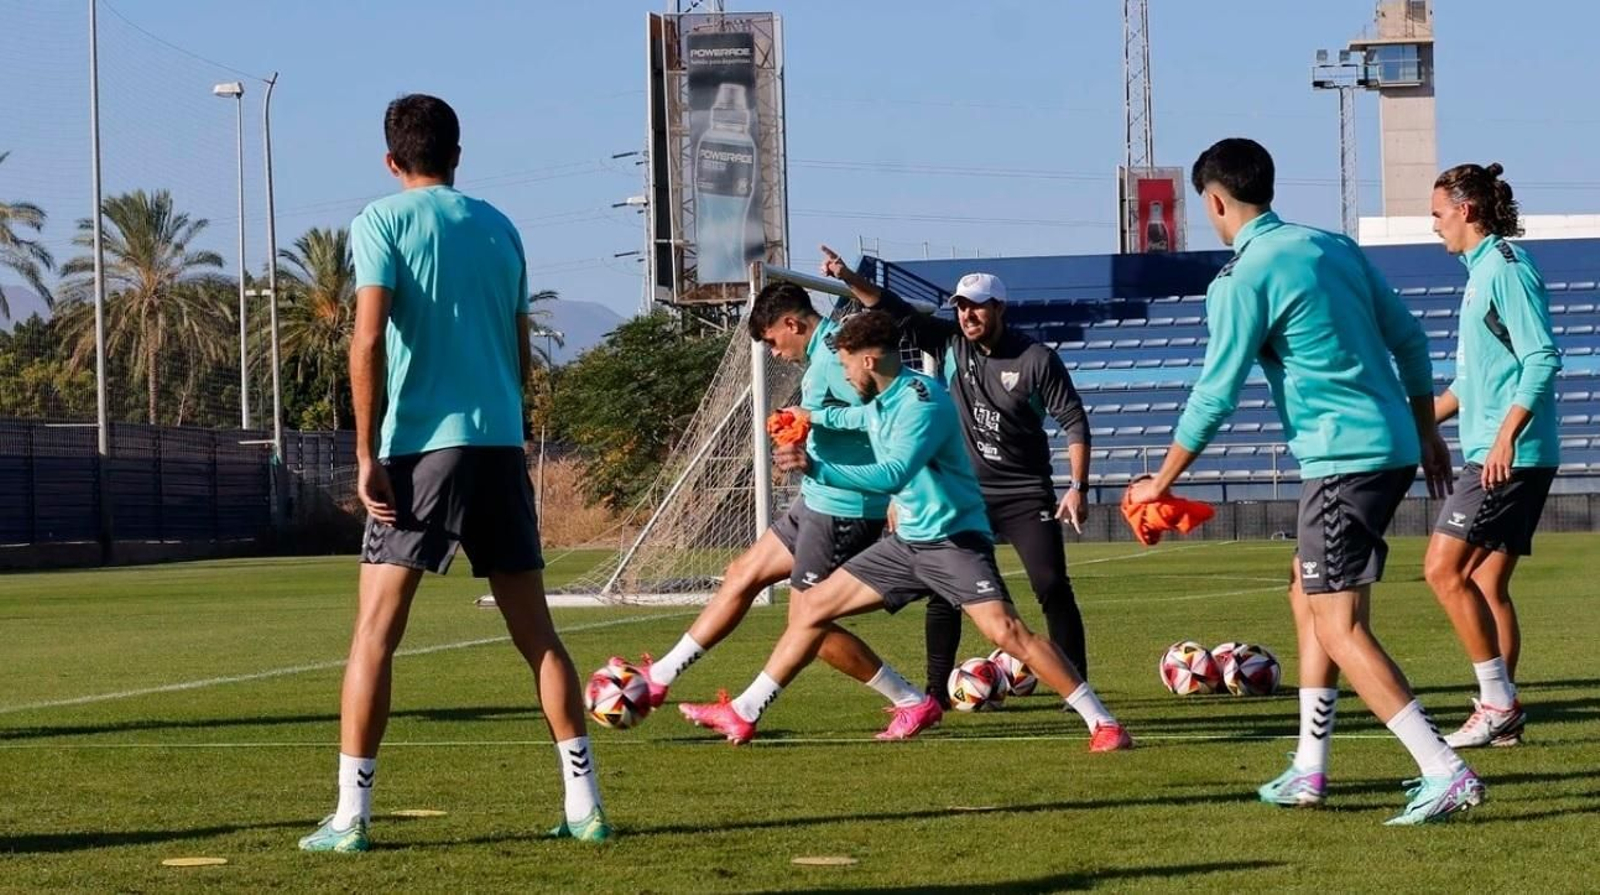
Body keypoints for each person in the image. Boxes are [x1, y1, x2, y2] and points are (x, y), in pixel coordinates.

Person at [1127, 137, 1484, 825]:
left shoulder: (1243, 277)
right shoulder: (1334, 248)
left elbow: (1214, 394)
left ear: (1215, 201)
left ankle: (1443, 768)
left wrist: (1158, 482)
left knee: (1340, 623)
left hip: (1341, 460)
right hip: (1388, 447)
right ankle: (1309, 768)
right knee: (1307, 588)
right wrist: (1428, 431)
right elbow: (1410, 340)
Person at [299, 94, 609, 851]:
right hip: (499, 447)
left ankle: (351, 817)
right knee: (537, 635)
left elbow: (367, 339)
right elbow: (519, 337)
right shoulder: (501, 228)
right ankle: (585, 806)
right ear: (458, 154)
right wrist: (514, 425)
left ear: (390, 159)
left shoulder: (380, 222)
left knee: (375, 635)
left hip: (420, 453)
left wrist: (367, 453)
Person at [677, 311, 1132, 753]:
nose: (842, 371)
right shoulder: (885, 398)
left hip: (953, 542)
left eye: (844, 363)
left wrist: (816, 467)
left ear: (868, 361)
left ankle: (1104, 722)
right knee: (811, 609)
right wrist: (809, 416)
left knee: (1008, 633)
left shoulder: (923, 402)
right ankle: (745, 709)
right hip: (908, 544)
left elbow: (894, 473)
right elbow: (857, 419)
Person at [636, 282, 938, 740]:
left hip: (843, 509)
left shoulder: (838, 360)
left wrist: (894, 487)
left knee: (807, 623)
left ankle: (909, 701)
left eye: (774, 341)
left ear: (793, 323)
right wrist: (800, 433)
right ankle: (660, 677)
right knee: (742, 573)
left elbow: (888, 413)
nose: (774, 353)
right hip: (815, 500)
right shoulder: (827, 356)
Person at [819, 248, 1094, 705]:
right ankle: (934, 695)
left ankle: (1075, 684)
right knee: (942, 592)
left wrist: (1077, 487)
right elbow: (890, 308)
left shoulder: (1037, 359)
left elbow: (1074, 421)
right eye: (961, 306)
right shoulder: (950, 343)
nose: (967, 314)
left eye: (977, 305)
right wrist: (847, 275)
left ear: (999, 308)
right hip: (965, 497)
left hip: (1025, 494)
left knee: (1051, 587)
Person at [1423, 162, 1561, 748]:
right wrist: (1413, 425)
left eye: (1437, 214)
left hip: (1506, 456)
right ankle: (1502, 712)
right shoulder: (1479, 272)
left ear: (1467, 211)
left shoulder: (1505, 269)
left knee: (1442, 571)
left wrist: (1505, 436)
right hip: (1505, 451)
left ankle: (1497, 704)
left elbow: (1543, 357)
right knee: (1483, 581)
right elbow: (1469, 385)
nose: (1434, 227)